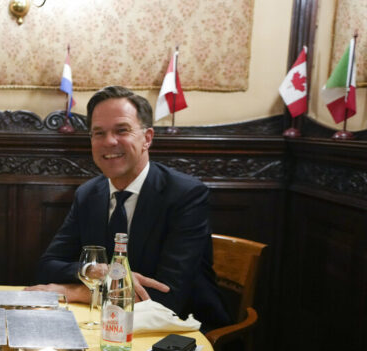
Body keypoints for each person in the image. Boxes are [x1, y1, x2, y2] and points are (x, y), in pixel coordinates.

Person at [29, 85, 229, 334]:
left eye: (121, 130)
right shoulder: (88, 194)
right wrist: (97, 271)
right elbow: (48, 266)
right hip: (108, 328)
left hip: (180, 333)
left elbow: (168, 297)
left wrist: (78, 291)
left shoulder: (185, 195)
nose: (109, 142)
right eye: (98, 133)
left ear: (147, 138)